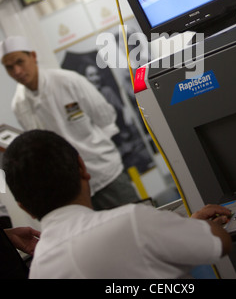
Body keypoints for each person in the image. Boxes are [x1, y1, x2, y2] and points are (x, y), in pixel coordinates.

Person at [3, 129, 232, 279]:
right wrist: (192, 227)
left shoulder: (40, 270)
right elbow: (219, 243)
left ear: (22, 206)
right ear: (82, 168)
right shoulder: (133, 221)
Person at [0, 35, 139, 210]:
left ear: (33, 56)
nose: (17, 71)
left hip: (105, 175)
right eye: (9, 67)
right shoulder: (19, 104)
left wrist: (92, 151)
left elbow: (106, 118)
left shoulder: (68, 81)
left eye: (20, 62)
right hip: (71, 193)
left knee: (137, 223)